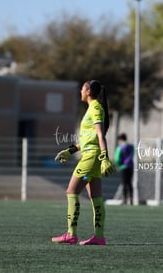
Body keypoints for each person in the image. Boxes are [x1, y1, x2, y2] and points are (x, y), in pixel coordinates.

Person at [52, 80, 115, 245]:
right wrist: (70, 150)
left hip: (91, 157)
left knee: (71, 191)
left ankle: (71, 234)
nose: (80, 90)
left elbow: (101, 136)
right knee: (95, 197)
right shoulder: (92, 109)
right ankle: (99, 237)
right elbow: (89, 139)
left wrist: (104, 158)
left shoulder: (95, 108)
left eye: (82, 88)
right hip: (90, 154)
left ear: (88, 91)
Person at [114, 133, 134, 205]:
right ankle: (131, 198)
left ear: (121, 139)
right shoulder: (131, 146)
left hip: (123, 167)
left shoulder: (120, 147)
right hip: (131, 166)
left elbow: (116, 159)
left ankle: (125, 199)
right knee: (129, 183)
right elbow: (132, 155)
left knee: (124, 183)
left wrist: (119, 165)